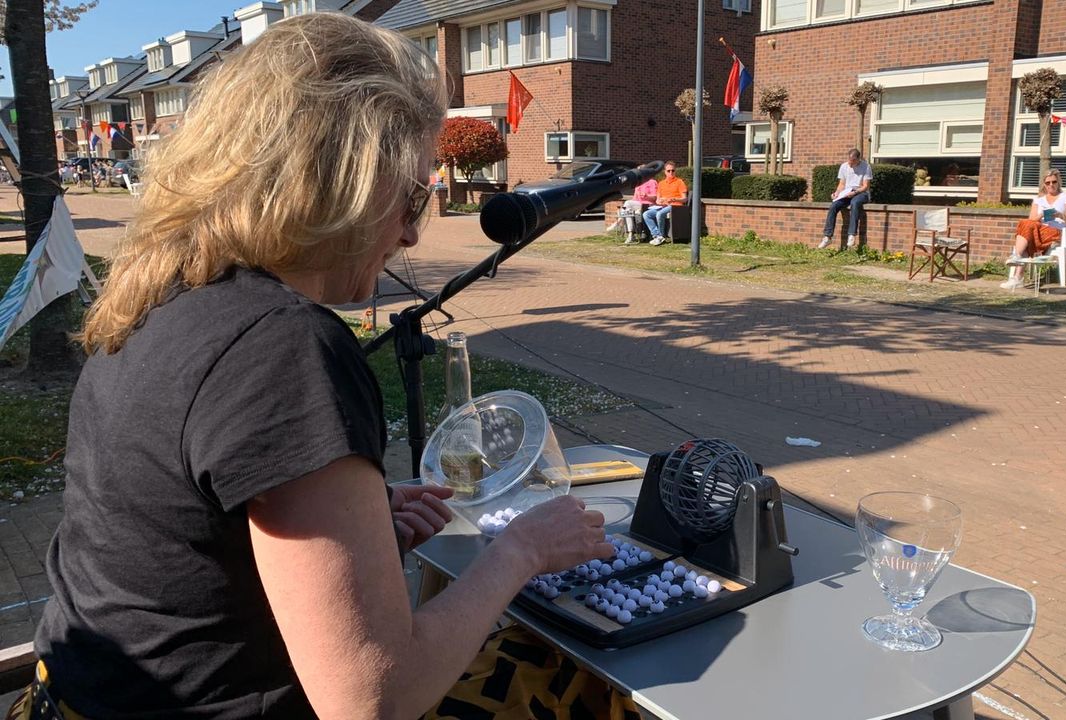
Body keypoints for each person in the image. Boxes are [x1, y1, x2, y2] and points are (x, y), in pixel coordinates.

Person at [19, 14, 621, 720]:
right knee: (584, 676)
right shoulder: (282, 347)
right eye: (409, 195)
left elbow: (183, 552)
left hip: (68, 697)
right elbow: (372, 699)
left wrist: (352, 524)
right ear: (335, 182)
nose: (412, 232)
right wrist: (518, 552)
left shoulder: (154, 301)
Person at [1000, 169, 1066, 289]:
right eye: (1048, 183)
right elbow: (1031, 221)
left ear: (1058, 182)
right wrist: (1042, 215)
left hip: (1056, 231)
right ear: (1044, 185)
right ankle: (1018, 266)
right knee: (1025, 225)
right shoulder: (1038, 200)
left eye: (1054, 182)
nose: (1051, 185)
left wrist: (1060, 215)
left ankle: (1017, 269)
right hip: (1039, 229)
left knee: (1027, 235)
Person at [818, 148, 871, 249]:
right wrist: (837, 193)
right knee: (834, 206)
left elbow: (865, 186)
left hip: (861, 193)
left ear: (858, 159)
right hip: (847, 193)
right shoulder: (844, 166)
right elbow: (842, 184)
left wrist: (855, 192)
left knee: (855, 203)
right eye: (849, 160)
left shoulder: (866, 167)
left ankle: (852, 234)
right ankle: (827, 237)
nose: (850, 163)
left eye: (853, 161)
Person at [606, 165, 658, 244]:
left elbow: (655, 198)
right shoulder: (639, 183)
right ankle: (630, 235)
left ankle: (618, 223)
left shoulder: (652, 182)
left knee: (627, 204)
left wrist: (647, 196)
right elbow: (634, 198)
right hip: (637, 205)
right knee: (627, 211)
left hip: (647, 205)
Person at [643, 160, 687, 245]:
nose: (671, 172)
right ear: (665, 172)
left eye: (673, 170)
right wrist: (659, 201)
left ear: (675, 171)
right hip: (663, 206)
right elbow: (657, 200)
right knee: (646, 214)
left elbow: (684, 199)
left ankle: (661, 236)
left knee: (659, 214)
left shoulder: (679, 182)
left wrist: (675, 199)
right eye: (668, 171)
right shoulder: (661, 183)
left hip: (675, 206)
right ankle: (657, 235)